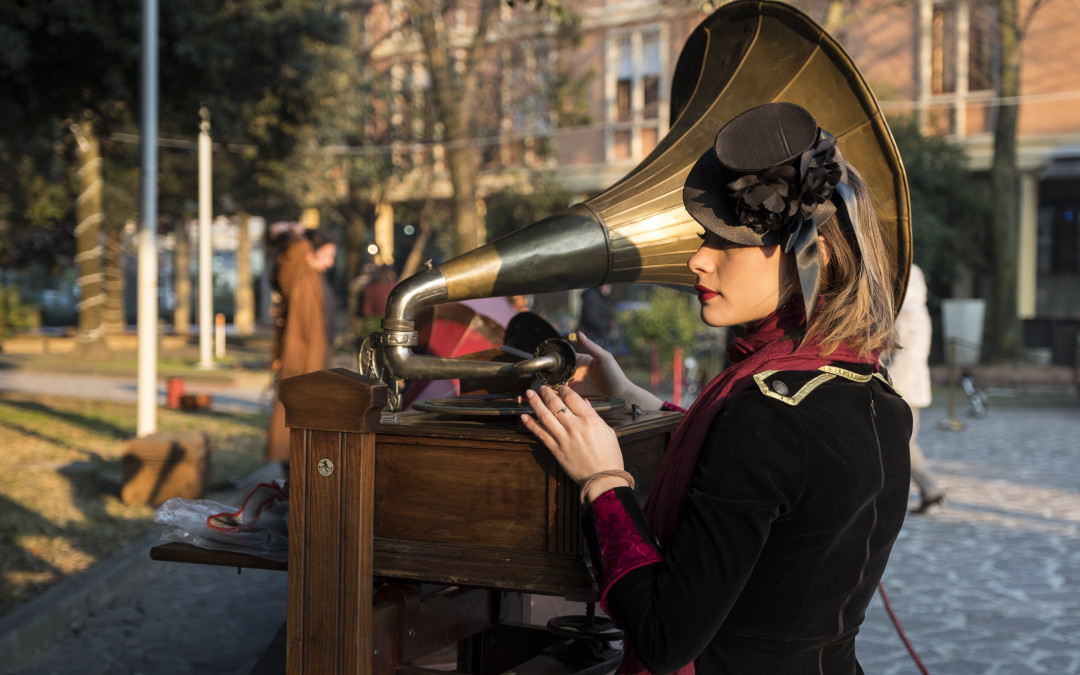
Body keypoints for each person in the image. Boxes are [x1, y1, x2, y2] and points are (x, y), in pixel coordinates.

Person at [521, 102, 912, 674]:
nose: (696, 260)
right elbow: (772, 483)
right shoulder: (873, 390)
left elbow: (664, 637)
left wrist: (603, 481)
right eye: (706, 237)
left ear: (815, 257)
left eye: (726, 243)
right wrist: (634, 395)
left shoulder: (767, 418)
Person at [265, 226, 334, 465]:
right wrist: (292, 231)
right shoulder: (298, 273)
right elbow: (296, 247)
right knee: (293, 417)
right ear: (309, 254)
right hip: (299, 360)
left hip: (312, 361)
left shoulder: (315, 278)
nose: (331, 262)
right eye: (327, 255)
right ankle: (289, 464)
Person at [887, 263, 946, 513]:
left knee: (902, 443)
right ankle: (927, 493)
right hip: (912, 386)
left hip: (902, 387)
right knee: (901, 442)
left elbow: (898, 357)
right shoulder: (918, 312)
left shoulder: (905, 314)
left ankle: (931, 491)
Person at [578, 284, 614, 349]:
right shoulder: (592, 297)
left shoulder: (598, 296)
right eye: (607, 286)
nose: (609, 288)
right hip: (594, 338)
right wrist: (608, 323)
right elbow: (591, 318)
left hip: (597, 337)